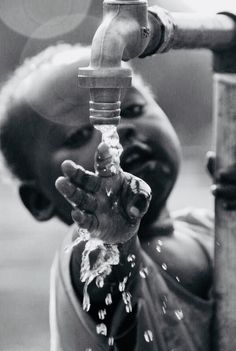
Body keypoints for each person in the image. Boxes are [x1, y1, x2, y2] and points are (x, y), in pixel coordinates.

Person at [0, 43, 235, 351]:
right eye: (81, 135)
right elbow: (105, 285)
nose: (119, 129)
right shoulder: (87, 254)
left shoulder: (212, 228)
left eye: (133, 109)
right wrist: (112, 239)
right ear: (40, 199)